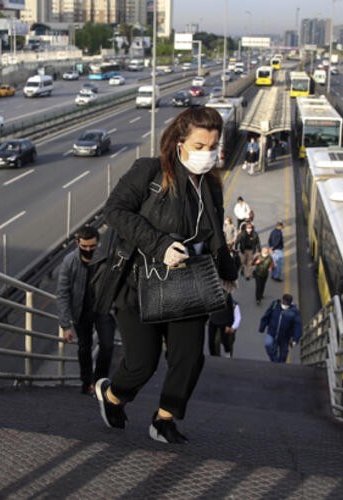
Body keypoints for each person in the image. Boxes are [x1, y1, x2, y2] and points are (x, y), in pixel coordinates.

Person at [94, 106, 238, 444]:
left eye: (213, 147)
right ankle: (113, 396)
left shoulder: (211, 185)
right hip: (138, 284)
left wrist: (227, 270)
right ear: (179, 143)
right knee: (142, 364)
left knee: (189, 358)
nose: (207, 155)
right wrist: (159, 245)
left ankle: (164, 419)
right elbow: (114, 211)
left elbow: (214, 232)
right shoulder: (150, 172)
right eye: (199, 147)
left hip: (189, 285)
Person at [56, 226, 116, 395]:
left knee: (107, 345)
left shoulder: (106, 258)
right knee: (84, 347)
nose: (89, 250)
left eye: (92, 246)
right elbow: (62, 293)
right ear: (77, 243)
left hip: (103, 308)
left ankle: (99, 382)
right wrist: (65, 325)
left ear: (98, 243)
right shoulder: (69, 261)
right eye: (85, 247)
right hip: (80, 311)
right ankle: (86, 381)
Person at [258, 293, 302, 363]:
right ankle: (275, 361)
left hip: (285, 337)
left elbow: (297, 326)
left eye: (286, 304)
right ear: (282, 300)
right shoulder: (275, 305)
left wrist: (295, 339)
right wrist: (262, 327)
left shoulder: (294, 312)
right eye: (283, 303)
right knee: (268, 345)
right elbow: (267, 315)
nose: (284, 305)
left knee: (283, 355)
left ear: (290, 304)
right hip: (272, 333)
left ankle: (280, 364)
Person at [207, 292, 241, 358]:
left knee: (228, 342)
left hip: (229, 326)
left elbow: (238, 318)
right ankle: (216, 356)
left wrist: (232, 327)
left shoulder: (234, 305)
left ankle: (229, 356)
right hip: (217, 324)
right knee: (216, 341)